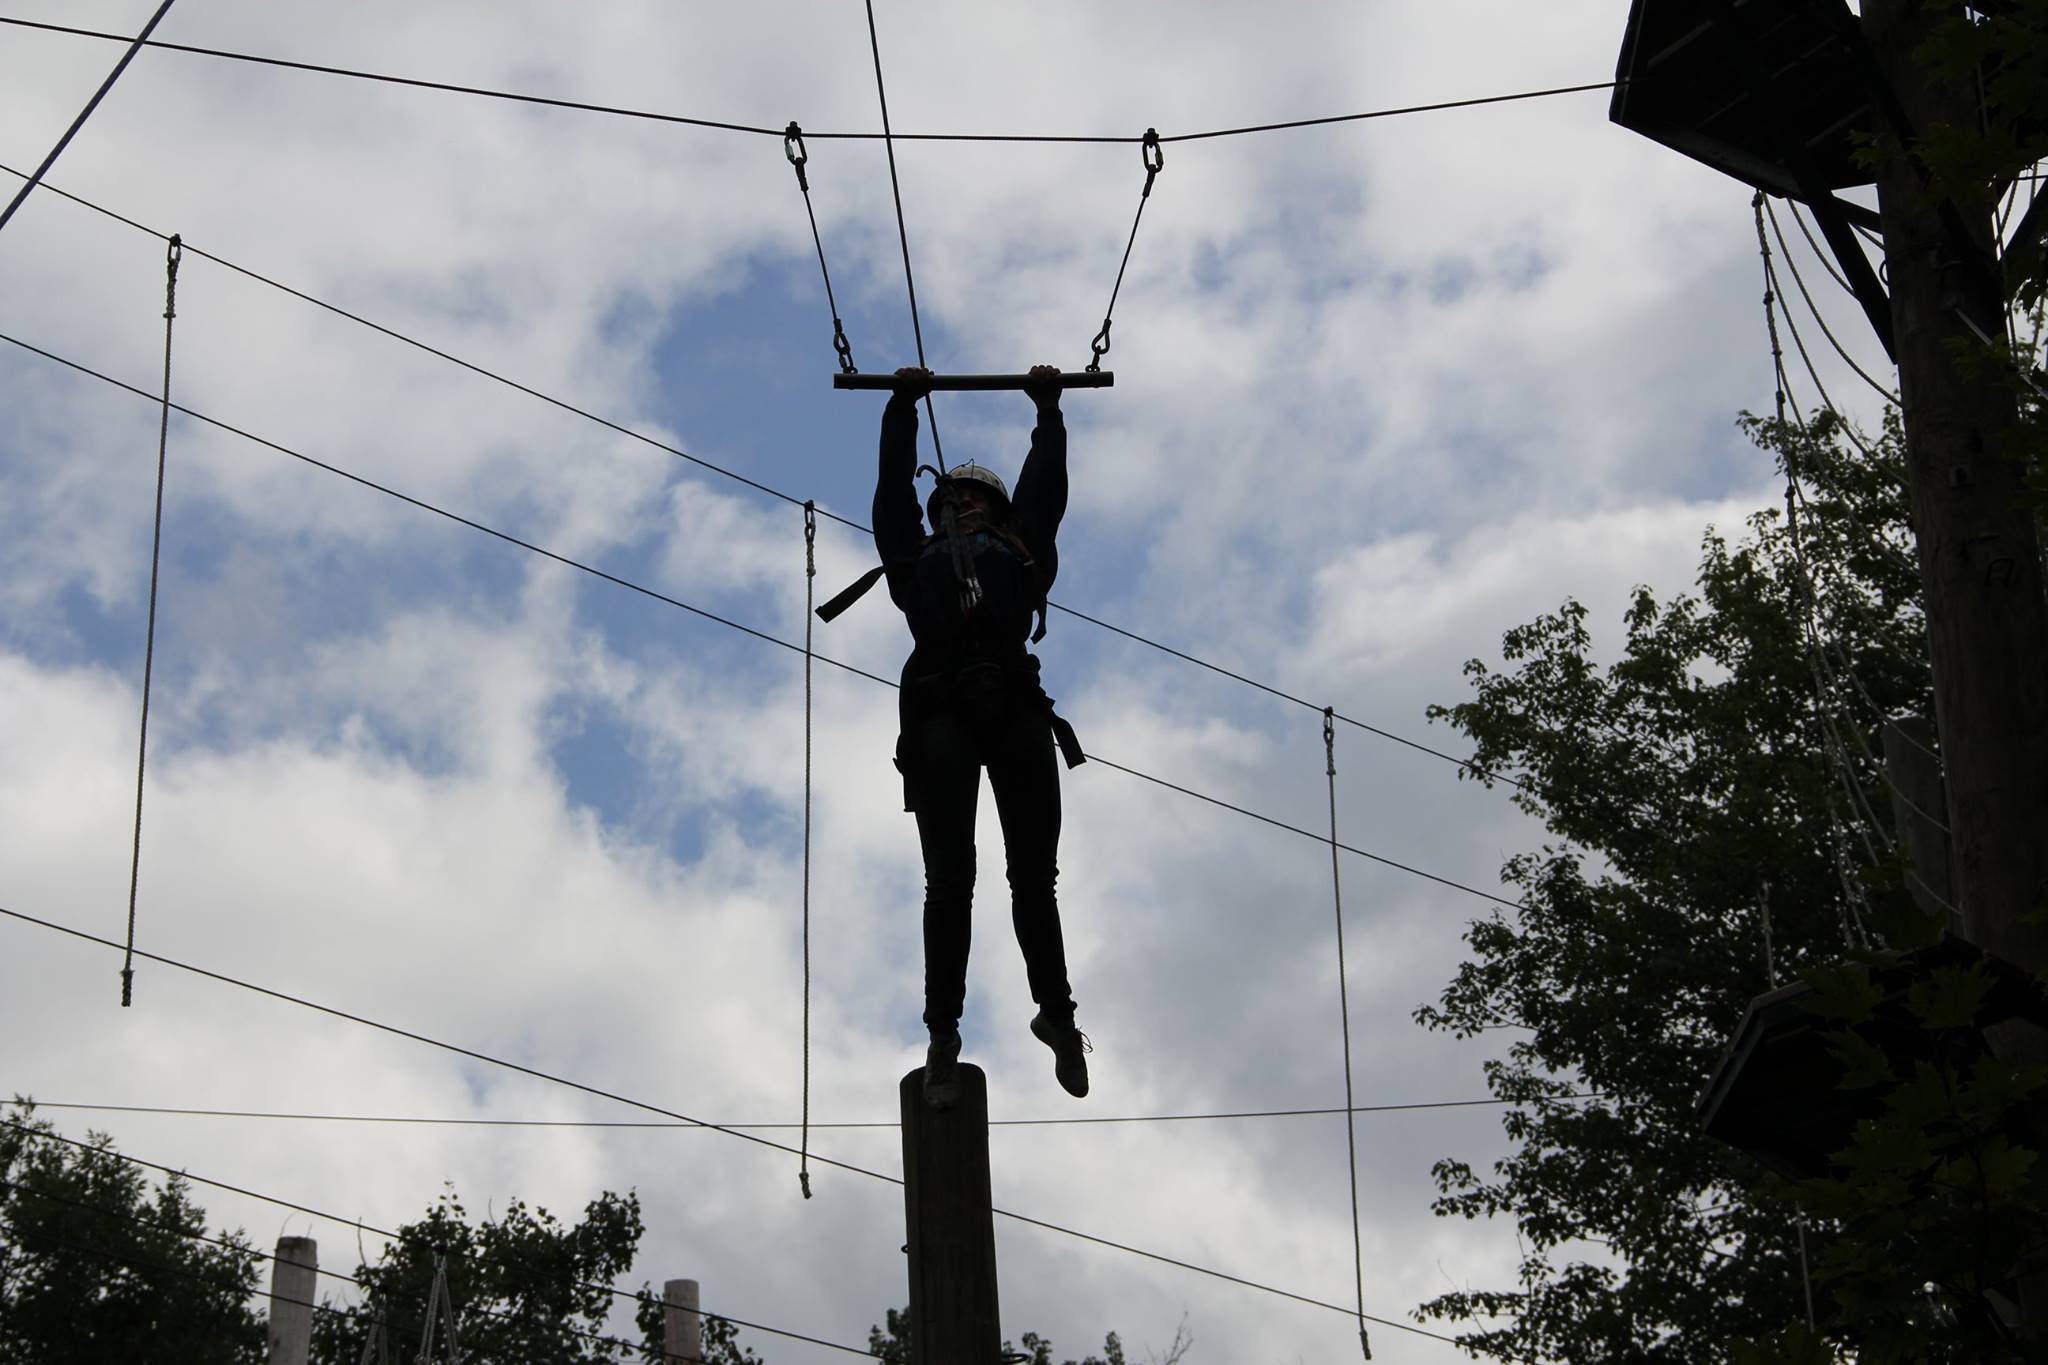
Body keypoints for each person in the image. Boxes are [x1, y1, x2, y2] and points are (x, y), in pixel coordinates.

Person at [873, 364, 1089, 1110]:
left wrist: (1049, 410)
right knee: (949, 880)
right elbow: (892, 496)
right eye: (950, 499)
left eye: (972, 497)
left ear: (995, 510)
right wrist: (901, 409)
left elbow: (1046, 489)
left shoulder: (1022, 549)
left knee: (1034, 878)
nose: (958, 503)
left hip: (1014, 705)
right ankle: (942, 1033)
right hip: (943, 713)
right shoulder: (915, 561)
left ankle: (1056, 1013)